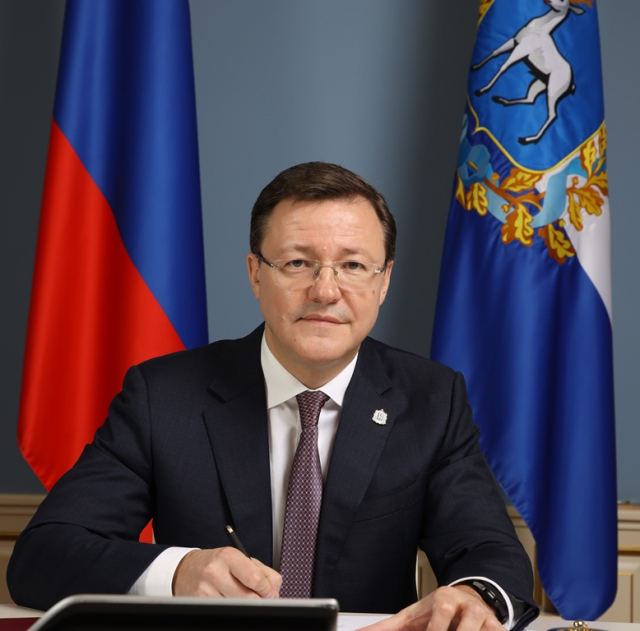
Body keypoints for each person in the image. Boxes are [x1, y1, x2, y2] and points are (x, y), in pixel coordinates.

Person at [8, 162, 538, 631]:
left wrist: (476, 595)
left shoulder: (432, 399)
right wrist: (178, 572)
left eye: (353, 266)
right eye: (297, 263)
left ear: (383, 282)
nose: (325, 291)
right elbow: (42, 556)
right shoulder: (162, 396)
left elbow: (489, 550)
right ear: (255, 274)